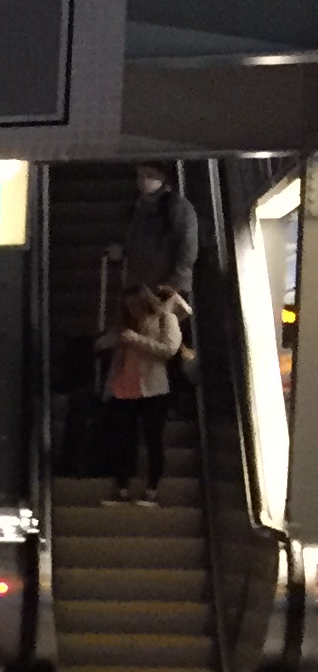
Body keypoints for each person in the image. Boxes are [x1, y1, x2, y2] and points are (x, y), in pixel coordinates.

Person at [97, 280, 189, 506]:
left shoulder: (165, 319)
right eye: (128, 307)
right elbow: (102, 344)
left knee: (153, 440)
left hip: (154, 390)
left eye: (135, 306)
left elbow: (169, 350)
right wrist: (111, 340)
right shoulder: (126, 324)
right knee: (123, 440)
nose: (132, 311)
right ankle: (122, 489)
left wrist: (137, 340)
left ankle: (152, 490)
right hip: (124, 387)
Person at [123, 163, 201, 295]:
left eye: (150, 175)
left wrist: (176, 282)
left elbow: (188, 245)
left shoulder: (177, 206)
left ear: (162, 177)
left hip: (168, 285)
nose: (143, 181)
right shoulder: (137, 206)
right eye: (140, 175)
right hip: (142, 285)